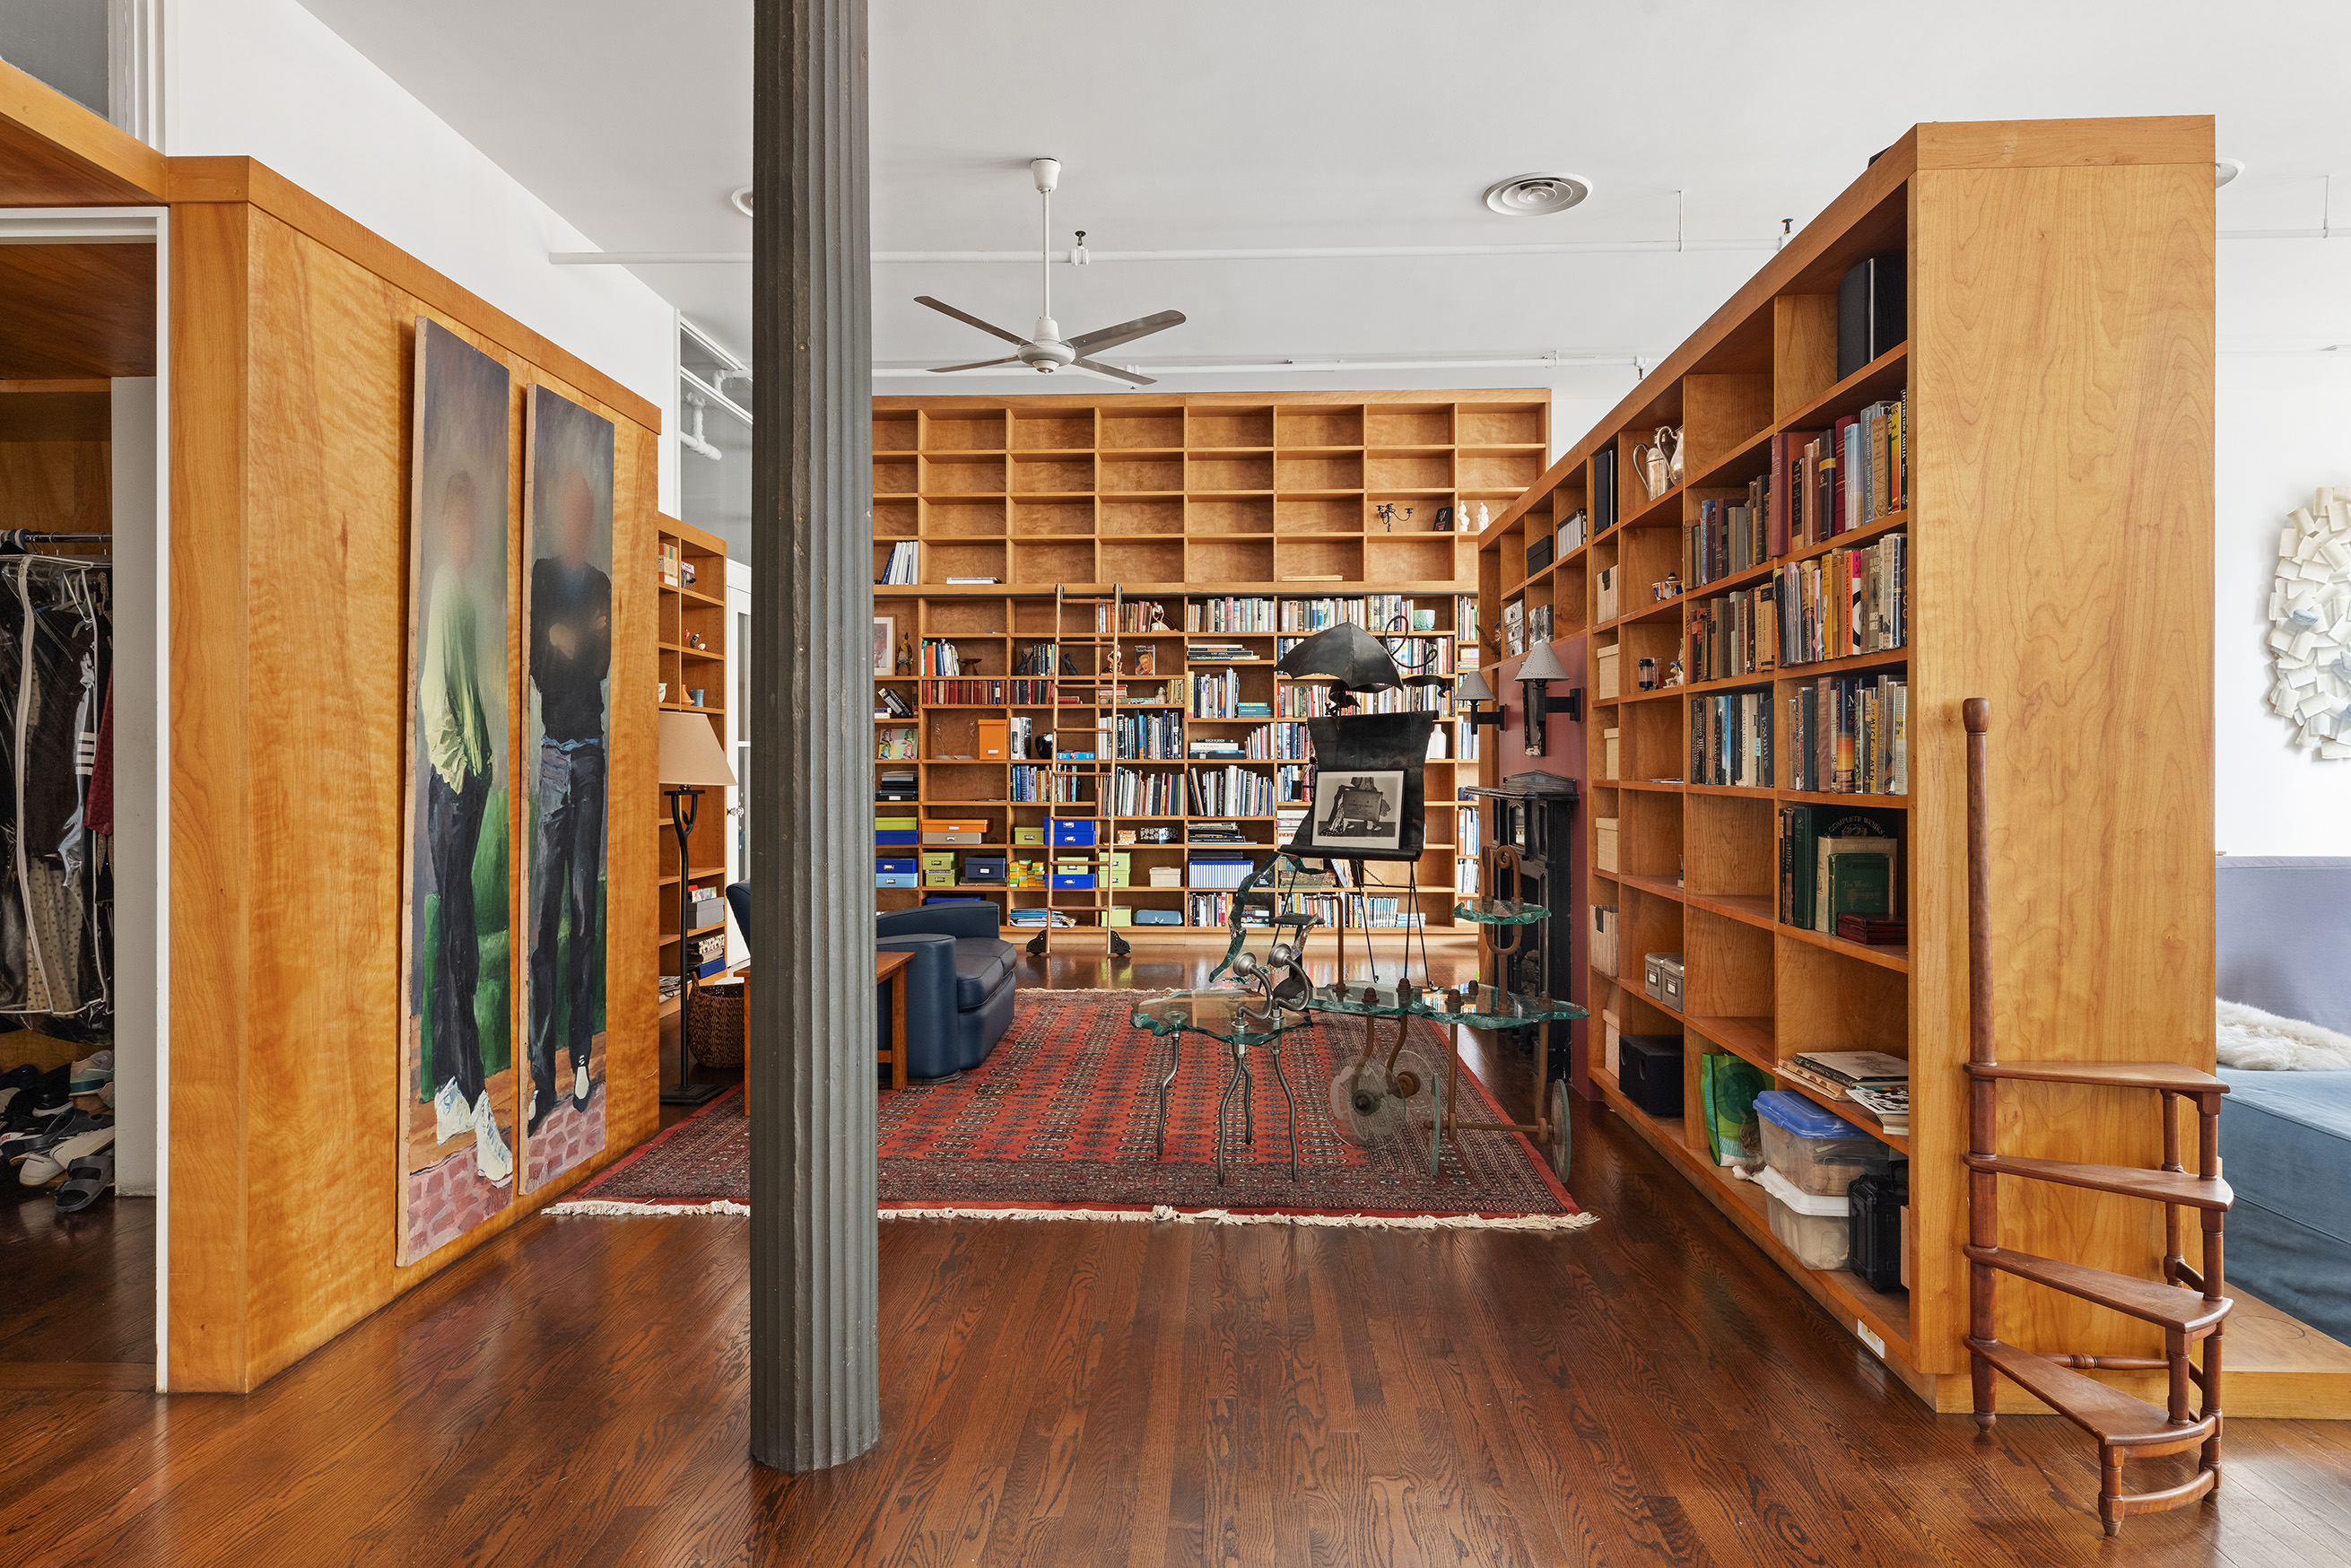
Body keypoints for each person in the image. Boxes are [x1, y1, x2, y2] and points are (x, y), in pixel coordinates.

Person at [421, 470, 512, 1183]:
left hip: (466, 784)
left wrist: (479, 765)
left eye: (473, 522)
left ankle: (453, 1091)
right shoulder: (447, 591)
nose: (469, 533)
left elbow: (470, 692)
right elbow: (433, 697)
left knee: (457, 945)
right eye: (461, 521)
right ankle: (474, 1100)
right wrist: (459, 769)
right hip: (453, 789)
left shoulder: (463, 593)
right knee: (456, 949)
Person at [527, 469, 611, 1134]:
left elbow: (598, 665)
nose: (578, 519)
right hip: (554, 754)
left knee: (584, 916)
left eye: (588, 510)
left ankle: (580, 1058)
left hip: (592, 756)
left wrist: (569, 641)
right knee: (542, 924)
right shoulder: (543, 576)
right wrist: (566, 645)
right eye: (571, 509)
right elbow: (539, 665)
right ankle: (539, 1078)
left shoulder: (603, 586)